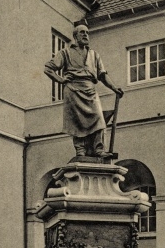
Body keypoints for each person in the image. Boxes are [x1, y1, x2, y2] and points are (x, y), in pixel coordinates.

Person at [44, 21, 123, 158]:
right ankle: (80, 150)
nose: (86, 35)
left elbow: (102, 75)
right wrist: (61, 80)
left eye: (87, 33)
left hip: (90, 89)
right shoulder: (65, 53)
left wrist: (115, 88)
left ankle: (99, 149)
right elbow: (48, 68)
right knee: (76, 121)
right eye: (82, 32)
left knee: (99, 118)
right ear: (75, 36)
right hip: (73, 90)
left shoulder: (94, 55)